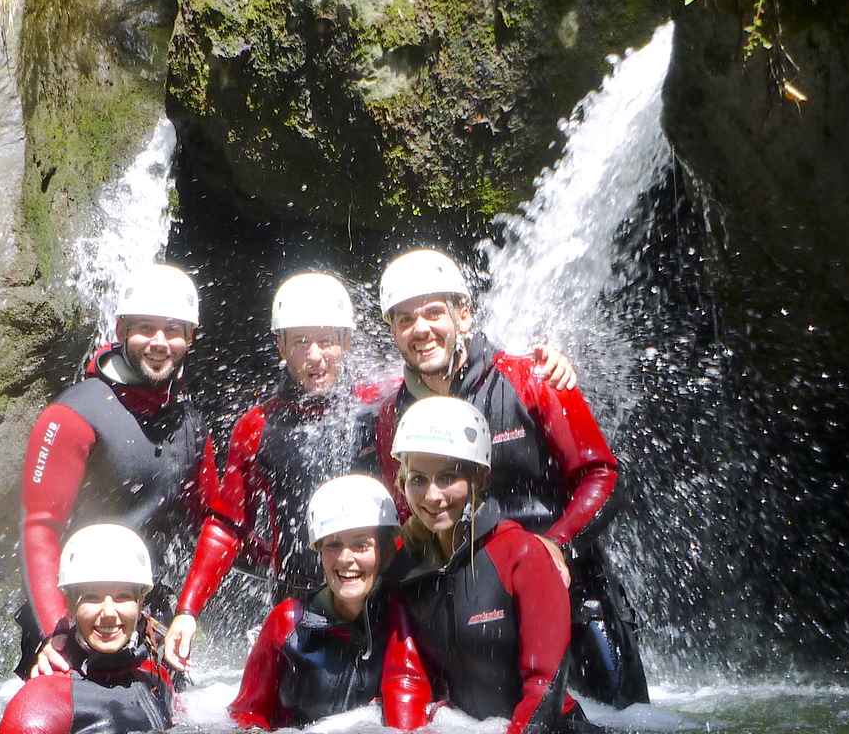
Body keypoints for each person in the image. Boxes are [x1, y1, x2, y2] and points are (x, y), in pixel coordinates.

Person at [165, 271, 575, 670]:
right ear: (279, 346)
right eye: (300, 342)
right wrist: (188, 609)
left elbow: (452, 375)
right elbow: (227, 525)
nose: (314, 356)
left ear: (345, 342)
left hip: (386, 602)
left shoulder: (382, 407)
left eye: (327, 341)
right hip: (298, 605)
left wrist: (543, 363)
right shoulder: (256, 427)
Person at [373, 249, 649, 707]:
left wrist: (556, 543)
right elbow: (410, 517)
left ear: (463, 314)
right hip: (472, 620)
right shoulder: (391, 417)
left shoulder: (532, 378)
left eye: (433, 312)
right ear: (393, 332)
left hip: (575, 597)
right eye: (404, 319)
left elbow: (602, 474)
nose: (420, 329)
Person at [18, 263, 215, 677]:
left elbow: (213, 521)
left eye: (174, 330)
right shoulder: (73, 415)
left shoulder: (191, 422)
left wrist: (188, 610)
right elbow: (39, 528)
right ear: (122, 329)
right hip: (76, 619)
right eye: (145, 327)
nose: (159, 342)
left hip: (147, 618)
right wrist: (56, 632)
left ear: (190, 338)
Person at [391, 396, 600, 734]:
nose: (432, 495)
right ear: (401, 484)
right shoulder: (404, 565)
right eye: (418, 479)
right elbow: (407, 678)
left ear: (481, 479)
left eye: (447, 477)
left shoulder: (523, 555)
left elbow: (544, 687)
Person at [228, 474, 430, 730]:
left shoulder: (398, 622)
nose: (345, 559)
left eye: (361, 545)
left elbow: (406, 713)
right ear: (320, 553)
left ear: (385, 552)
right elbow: (246, 712)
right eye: (334, 545)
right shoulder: (286, 622)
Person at [0, 524, 177, 734]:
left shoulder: (157, 680)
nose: (109, 612)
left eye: (123, 597)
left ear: (140, 603)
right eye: (92, 597)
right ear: (71, 605)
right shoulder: (41, 704)